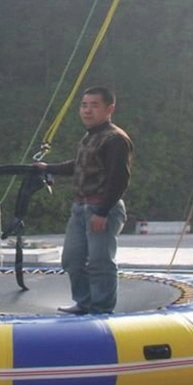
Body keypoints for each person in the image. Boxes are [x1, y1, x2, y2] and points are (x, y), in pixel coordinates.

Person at [36, 86, 133, 315]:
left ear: (109, 109)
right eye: (84, 105)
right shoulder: (90, 137)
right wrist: (48, 168)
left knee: (100, 262)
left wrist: (102, 211)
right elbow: (78, 166)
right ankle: (84, 302)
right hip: (80, 207)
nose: (87, 110)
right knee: (72, 259)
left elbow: (119, 179)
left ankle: (101, 308)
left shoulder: (115, 139)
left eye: (94, 105)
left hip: (102, 208)